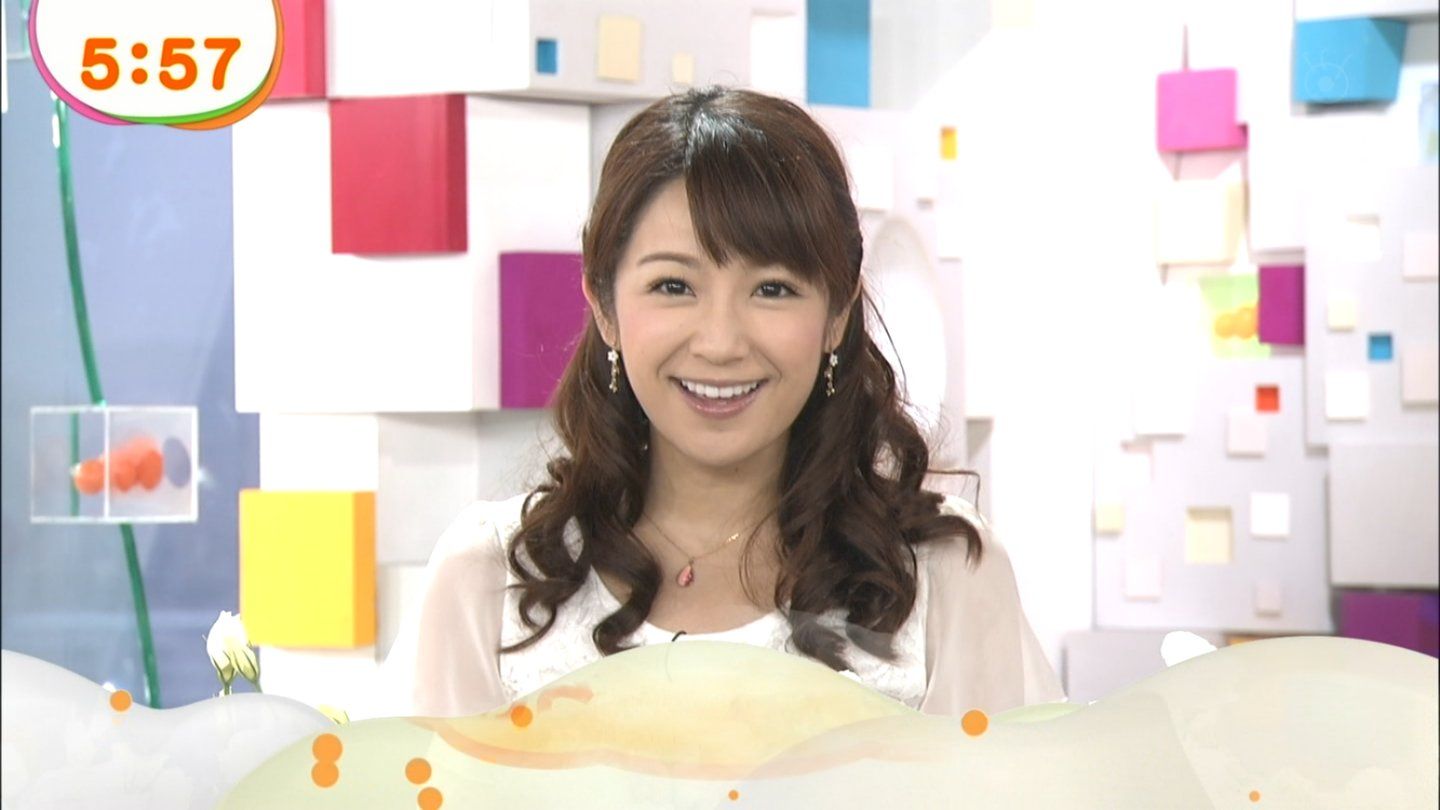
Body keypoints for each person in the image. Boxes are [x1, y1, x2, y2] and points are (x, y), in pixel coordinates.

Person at [376, 86, 1064, 720]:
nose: (721, 342)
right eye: (674, 287)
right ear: (604, 306)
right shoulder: (494, 579)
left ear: (837, 314)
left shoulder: (942, 577)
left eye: (773, 289)